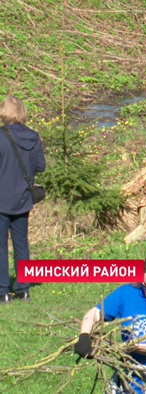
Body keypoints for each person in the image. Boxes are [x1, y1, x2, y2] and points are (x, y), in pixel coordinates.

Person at [75, 252, 146, 394]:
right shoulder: (127, 293)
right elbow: (94, 313)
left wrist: (129, 347)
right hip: (130, 369)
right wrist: (84, 336)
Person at [0, 96, 46, 304]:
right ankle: (23, 289)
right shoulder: (33, 137)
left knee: (1, 246)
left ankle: (2, 292)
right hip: (23, 199)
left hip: (1, 200)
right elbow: (40, 166)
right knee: (21, 244)